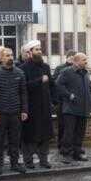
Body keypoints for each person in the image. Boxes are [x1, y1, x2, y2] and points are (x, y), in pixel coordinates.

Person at [0, 47, 28, 175]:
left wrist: (24, 110)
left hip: (15, 113)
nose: (10, 57)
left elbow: (23, 93)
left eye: (11, 55)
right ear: (1, 57)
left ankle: (14, 164)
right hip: (0, 114)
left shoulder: (20, 73)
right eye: (7, 55)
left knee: (15, 140)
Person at [20, 41, 56, 169]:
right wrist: (39, 80)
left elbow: (51, 85)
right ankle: (28, 161)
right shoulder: (23, 68)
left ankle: (43, 160)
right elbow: (24, 87)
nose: (39, 51)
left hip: (45, 106)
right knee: (30, 136)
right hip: (31, 107)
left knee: (45, 135)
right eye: (36, 49)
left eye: (40, 49)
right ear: (30, 52)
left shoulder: (45, 67)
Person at [56, 53, 91, 164]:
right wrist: (69, 95)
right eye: (84, 60)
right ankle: (65, 154)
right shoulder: (67, 72)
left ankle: (77, 153)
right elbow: (58, 85)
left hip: (83, 108)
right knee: (69, 132)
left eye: (86, 59)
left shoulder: (85, 73)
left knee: (80, 133)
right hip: (71, 109)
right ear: (76, 61)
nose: (86, 61)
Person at [53, 50, 76, 153]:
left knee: (72, 126)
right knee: (62, 125)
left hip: (73, 102)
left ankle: (71, 146)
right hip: (62, 101)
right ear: (68, 57)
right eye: (72, 57)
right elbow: (55, 84)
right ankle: (61, 146)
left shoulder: (77, 69)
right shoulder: (60, 68)